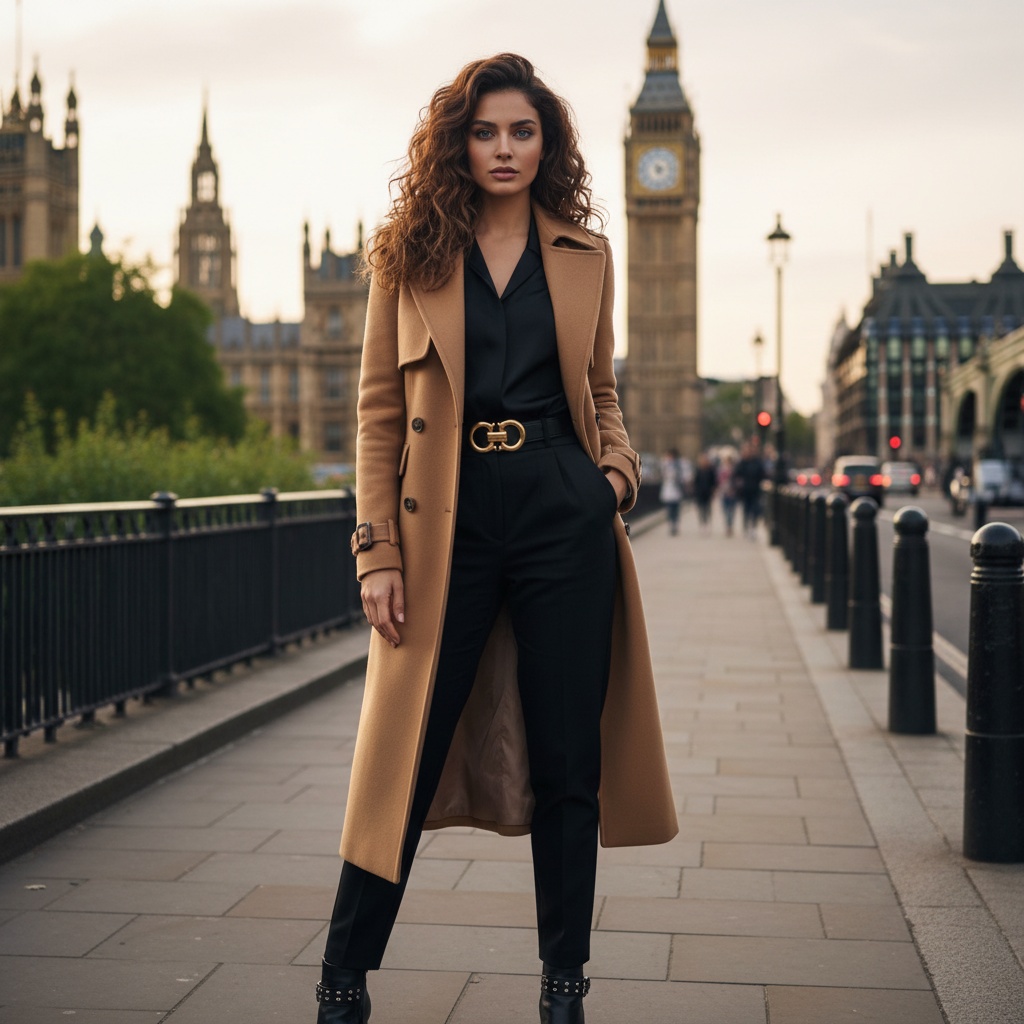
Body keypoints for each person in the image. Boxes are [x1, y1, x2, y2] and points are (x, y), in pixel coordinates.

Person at [316, 54, 678, 1024]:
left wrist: (613, 475)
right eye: (486, 132)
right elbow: (376, 416)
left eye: (523, 132)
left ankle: (564, 985)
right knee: (408, 748)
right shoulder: (411, 254)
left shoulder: (584, 255)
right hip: (450, 517)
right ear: (458, 143)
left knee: (569, 762)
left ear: (545, 144)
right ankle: (343, 973)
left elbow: (600, 391)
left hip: (563, 514)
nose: (505, 149)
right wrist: (374, 550)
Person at [659, 447, 685, 535]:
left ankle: (675, 524)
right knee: (669, 509)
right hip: (668, 490)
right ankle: (671, 525)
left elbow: (681, 477)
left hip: (676, 490)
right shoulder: (664, 465)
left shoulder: (678, 465)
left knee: (676, 510)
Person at [692, 452, 717, 528]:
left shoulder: (711, 470)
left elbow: (714, 482)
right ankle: (702, 522)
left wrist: (714, 490)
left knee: (707, 508)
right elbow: (695, 481)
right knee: (701, 509)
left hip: (708, 492)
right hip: (699, 492)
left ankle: (707, 522)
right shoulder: (698, 470)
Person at [718, 453, 738, 537]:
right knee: (726, 510)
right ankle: (728, 525)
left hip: (732, 492)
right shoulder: (721, 470)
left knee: (731, 511)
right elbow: (719, 481)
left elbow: (736, 481)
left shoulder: (734, 470)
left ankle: (730, 526)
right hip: (724, 492)